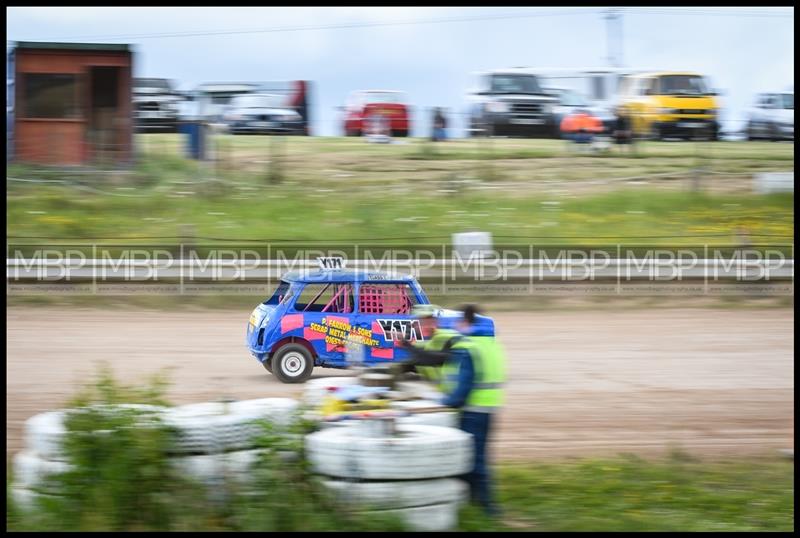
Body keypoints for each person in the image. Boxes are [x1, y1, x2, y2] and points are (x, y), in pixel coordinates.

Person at [398, 304, 505, 517]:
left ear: (466, 323)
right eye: (420, 321)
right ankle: (473, 503)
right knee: (470, 458)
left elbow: (436, 360)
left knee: (475, 461)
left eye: (427, 320)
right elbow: (418, 362)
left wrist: (444, 402)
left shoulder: (459, 343)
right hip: (482, 407)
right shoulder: (484, 344)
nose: (424, 325)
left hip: (473, 408)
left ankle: (489, 511)